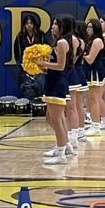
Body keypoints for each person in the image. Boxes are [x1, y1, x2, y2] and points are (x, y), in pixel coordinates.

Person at [35, 14, 76, 164]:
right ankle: (65, 145)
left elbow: (61, 66)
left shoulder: (62, 42)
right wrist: (41, 68)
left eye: (55, 24)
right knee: (51, 118)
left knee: (57, 120)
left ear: (62, 26)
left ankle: (61, 154)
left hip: (57, 84)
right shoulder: (63, 41)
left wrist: (42, 63)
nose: (52, 27)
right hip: (54, 81)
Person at [13, 13, 46, 100]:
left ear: (34, 24)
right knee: (28, 85)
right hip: (25, 65)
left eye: (31, 23)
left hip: (39, 64)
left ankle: (40, 103)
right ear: (24, 25)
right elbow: (17, 51)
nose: (29, 25)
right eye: (27, 23)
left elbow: (46, 49)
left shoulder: (41, 35)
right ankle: (29, 103)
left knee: (40, 84)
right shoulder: (20, 36)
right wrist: (19, 63)